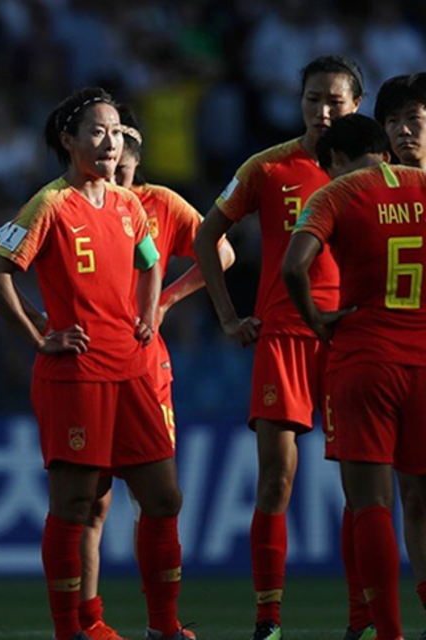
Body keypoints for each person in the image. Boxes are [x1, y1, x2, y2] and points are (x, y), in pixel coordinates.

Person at [0, 104, 235, 640]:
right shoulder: (50, 204)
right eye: (97, 132)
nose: (110, 143)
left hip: (135, 367)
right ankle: (71, 629)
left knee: (164, 498)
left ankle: (163, 627)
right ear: (69, 140)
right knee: (75, 503)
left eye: (115, 132)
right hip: (77, 372)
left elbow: (151, 260)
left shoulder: (129, 203)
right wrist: (42, 333)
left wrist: (149, 310)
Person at [193, 55, 369, 640]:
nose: (322, 111)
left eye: (334, 102)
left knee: (360, 485)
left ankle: (361, 619)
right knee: (276, 480)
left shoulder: (374, 172)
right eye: (312, 99)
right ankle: (268, 619)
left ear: (356, 106)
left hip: (351, 337)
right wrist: (226, 316)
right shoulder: (268, 168)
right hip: (284, 338)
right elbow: (206, 234)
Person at [282, 112, 422, 640]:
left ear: (335, 161)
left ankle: (388, 632)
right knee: (422, 503)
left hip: (364, 356)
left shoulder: (335, 195)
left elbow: (294, 266)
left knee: (370, 504)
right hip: (424, 359)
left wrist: (316, 320)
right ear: (384, 149)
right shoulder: (423, 184)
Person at [373, 70, 426, 629]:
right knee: (412, 494)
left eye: (415, 120)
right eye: (394, 122)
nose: (404, 131)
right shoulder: (365, 190)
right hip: (393, 362)